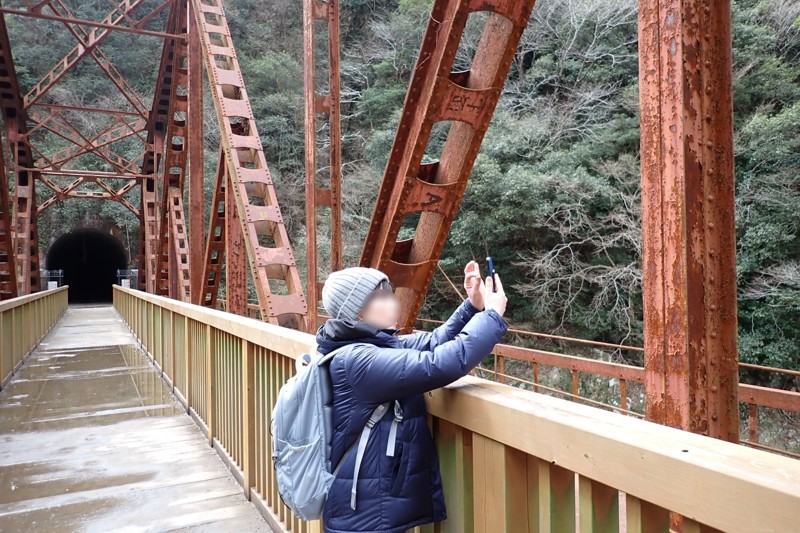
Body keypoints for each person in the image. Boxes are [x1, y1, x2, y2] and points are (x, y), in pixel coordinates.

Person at [316, 261, 508, 533]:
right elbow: (438, 365)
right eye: (382, 296)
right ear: (356, 312)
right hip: (365, 516)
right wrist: (492, 316)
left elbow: (434, 343)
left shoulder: (373, 345)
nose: (394, 302)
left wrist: (472, 306)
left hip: (369, 504)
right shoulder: (358, 360)